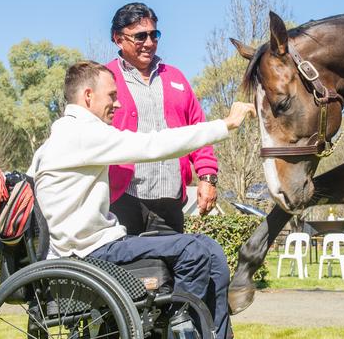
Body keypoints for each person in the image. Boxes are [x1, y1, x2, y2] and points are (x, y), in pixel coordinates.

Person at [27, 61, 255, 339]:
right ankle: (181, 328)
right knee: (193, 252)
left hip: (93, 247)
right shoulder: (82, 133)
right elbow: (153, 144)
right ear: (88, 96)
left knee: (210, 249)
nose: (118, 104)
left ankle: (214, 333)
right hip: (89, 253)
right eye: (111, 95)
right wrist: (226, 124)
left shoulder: (60, 137)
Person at [107, 2, 218, 235]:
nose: (149, 43)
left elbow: (199, 131)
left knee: (168, 268)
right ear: (118, 39)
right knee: (123, 269)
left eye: (154, 35)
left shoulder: (176, 77)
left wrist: (208, 177)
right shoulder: (104, 79)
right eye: (140, 36)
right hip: (122, 198)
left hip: (170, 199)